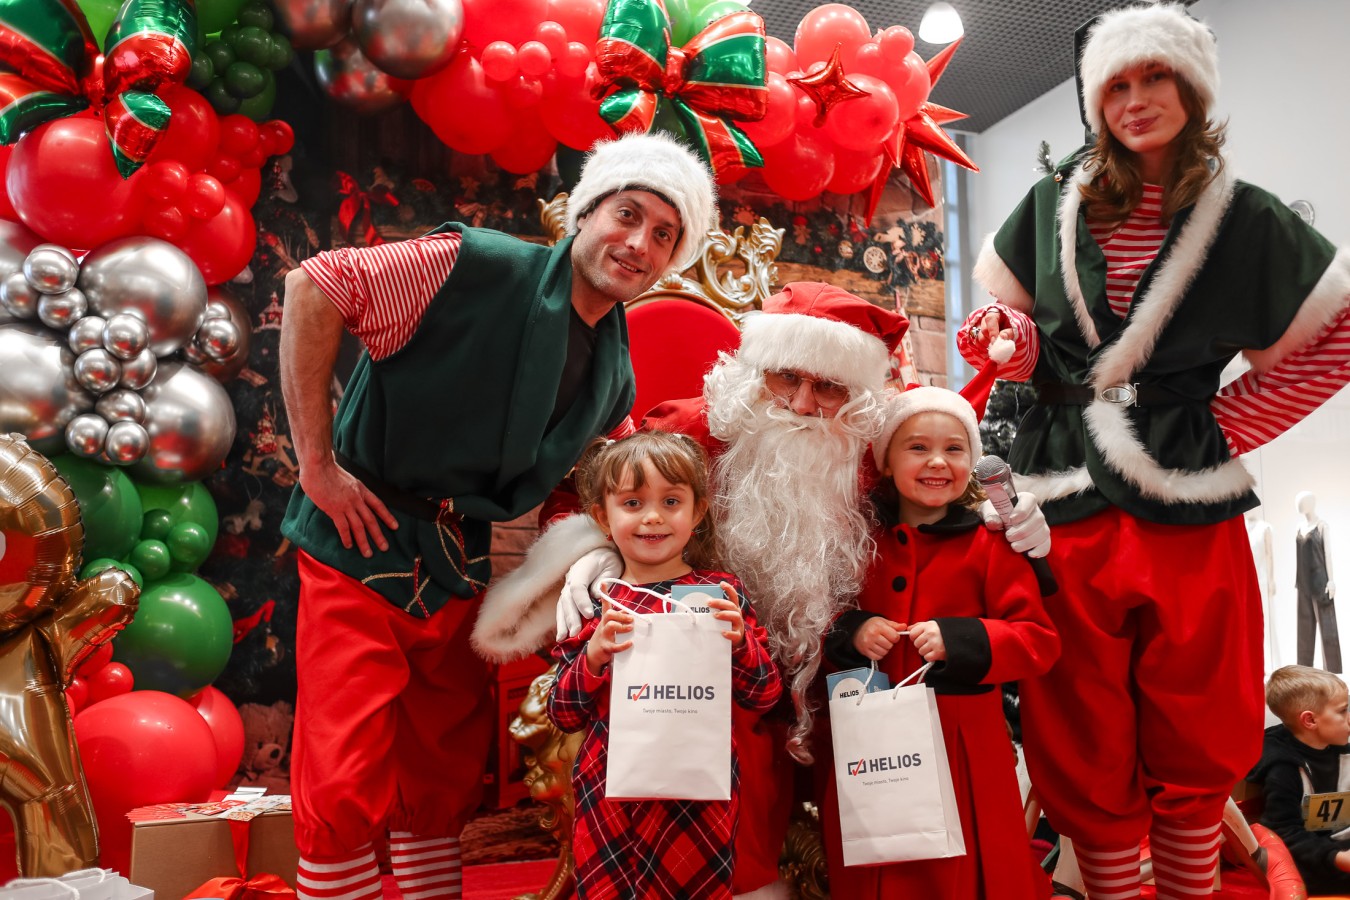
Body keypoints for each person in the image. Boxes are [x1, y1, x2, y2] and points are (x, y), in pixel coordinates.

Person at [475, 283, 1052, 898]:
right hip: (705, 677)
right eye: (786, 378)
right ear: (755, 371)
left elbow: (942, 486)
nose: (802, 404)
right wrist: (594, 549)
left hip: (842, 676)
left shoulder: (867, 450)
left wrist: (1006, 516)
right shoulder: (692, 429)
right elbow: (593, 491)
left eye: (828, 386)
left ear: (856, 396)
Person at [960, 4, 1350, 898]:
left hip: (1189, 497)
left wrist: (1227, 426)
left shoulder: (1244, 216)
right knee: (1078, 720)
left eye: (1155, 78)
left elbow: (1335, 340)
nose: (1135, 100)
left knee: (1199, 714)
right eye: (1116, 86)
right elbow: (1022, 331)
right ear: (1095, 100)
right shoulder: (1052, 202)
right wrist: (1009, 344)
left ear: (1193, 88)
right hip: (1064, 497)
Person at [277, 131, 717, 899]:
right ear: (586, 213)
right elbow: (315, 285)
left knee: (440, 769)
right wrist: (317, 465)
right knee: (343, 767)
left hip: (459, 561)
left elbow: (602, 482)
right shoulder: (468, 265)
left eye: (663, 235)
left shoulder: (614, 373)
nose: (638, 244)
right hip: (360, 538)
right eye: (627, 215)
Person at [822, 385, 1059, 899]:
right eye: (917, 447)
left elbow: (1038, 640)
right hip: (874, 742)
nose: (937, 461)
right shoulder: (857, 543)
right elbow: (819, 619)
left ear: (971, 462)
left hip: (963, 746)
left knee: (963, 868)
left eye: (954, 448)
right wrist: (853, 629)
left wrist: (962, 639)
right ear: (886, 462)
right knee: (881, 868)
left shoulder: (991, 544)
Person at [547, 431, 782, 899]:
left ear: (696, 513)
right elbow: (562, 712)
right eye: (632, 503)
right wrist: (594, 656)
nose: (652, 516)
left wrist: (740, 644)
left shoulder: (721, 594)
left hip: (696, 793)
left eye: (671, 501)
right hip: (608, 788)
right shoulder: (597, 602)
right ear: (603, 516)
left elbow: (765, 694)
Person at [1250, 665, 1350, 895]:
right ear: (1310, 720)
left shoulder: (1342, 749)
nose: (1349, 717)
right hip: (1315, 862)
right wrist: (1337, 857)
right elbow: (1284, 833)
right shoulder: (1283, 768)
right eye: (1343, 710)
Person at [1296, 491, 1340, 672]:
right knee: (1304, 629)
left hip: (1321, 582)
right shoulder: (1299, 528)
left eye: (1302, 501)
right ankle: (1304, 670)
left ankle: (1333, 671)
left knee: (1327, 628)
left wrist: (1331, 581)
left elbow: (1328, 553)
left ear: (1311, 503)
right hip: (1303, 583)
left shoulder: (1322, 526)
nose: (1298, 504)